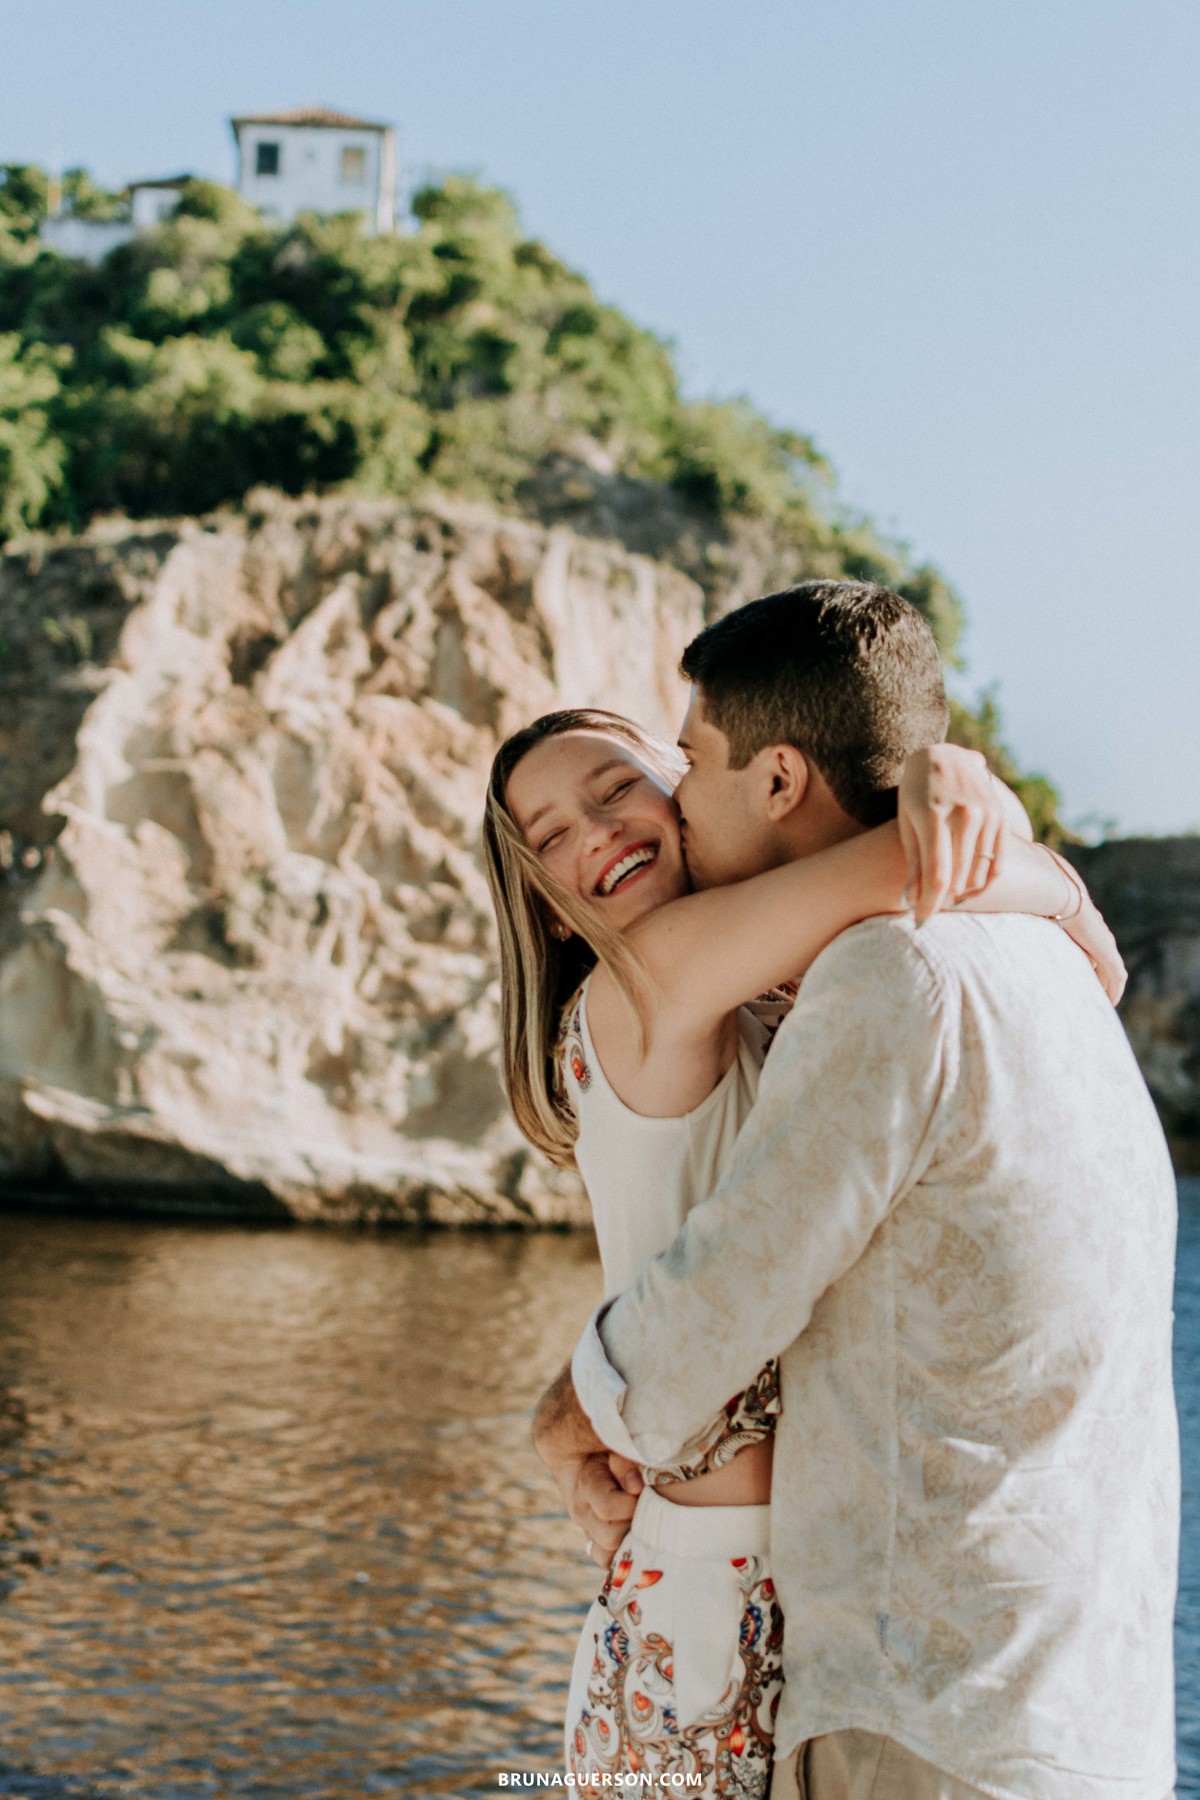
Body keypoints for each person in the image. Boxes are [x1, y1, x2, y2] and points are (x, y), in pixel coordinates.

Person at [531, 581, 1179, 1800]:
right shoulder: (1040, 964)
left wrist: (567, 1416)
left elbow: (724, 1295)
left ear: (779, 778)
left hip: (928, 1701)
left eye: (684, 765)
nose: (675, 802)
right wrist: (1028, 856)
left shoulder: (892, 972)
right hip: (1087, 1696)